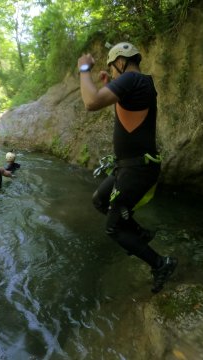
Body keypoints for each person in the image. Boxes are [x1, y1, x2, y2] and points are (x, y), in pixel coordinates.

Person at [78, 42, 177, 293]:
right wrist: (106, 82)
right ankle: (140, 235)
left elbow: (91, 102)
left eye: (112, 69)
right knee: (100, 200)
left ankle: (160, 264)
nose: (111, 74)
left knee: (113, 227)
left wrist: (85, 69)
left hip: (137, 169)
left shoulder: (132, 79)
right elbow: (119, 104)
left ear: (120, 63)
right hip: (128, 168)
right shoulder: (136, 82)